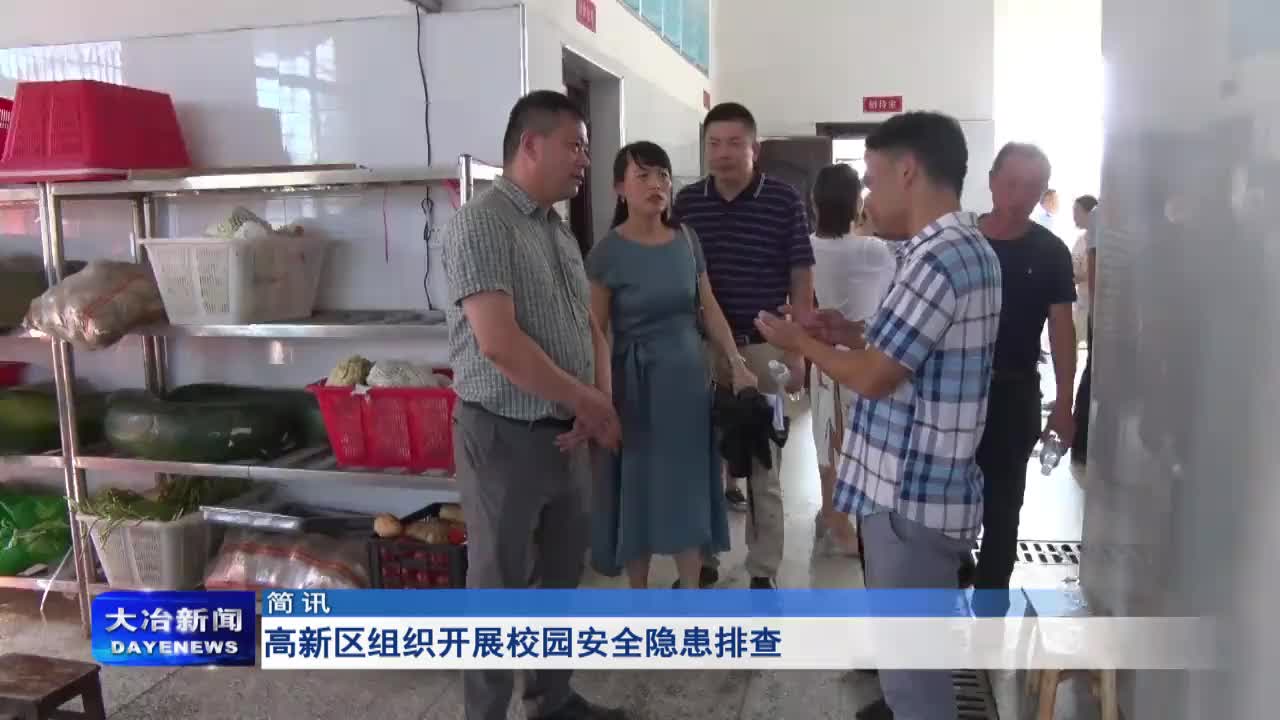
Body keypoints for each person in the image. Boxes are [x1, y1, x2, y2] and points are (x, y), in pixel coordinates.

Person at [755, 111, 1001, 720]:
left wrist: (799, 341)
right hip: (924, 493)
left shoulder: (936, 259)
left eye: (873, 179)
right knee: (910, 669)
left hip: (910, 498)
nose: (867, 196)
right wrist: (846, 331)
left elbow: (872, 376)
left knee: (914, 687)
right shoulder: (963, 248)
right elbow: (911, 348)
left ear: (908, 171)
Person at [441, 90, 625, 720]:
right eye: (575, 146)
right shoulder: (482, 222)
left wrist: (596, 404)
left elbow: (590, 326)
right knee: (497, 589)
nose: (584, 160)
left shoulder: (557, 230)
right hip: (503, 436)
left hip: (566, 435)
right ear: (530, 144)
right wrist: (588, 401)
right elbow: (498, 343)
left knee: (559, 581)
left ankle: (552, 700)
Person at [576, 141, 750, 590]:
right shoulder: (607, 253)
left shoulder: (687, 240)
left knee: (687, 485)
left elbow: (708, 306)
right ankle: (640, 595)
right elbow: (595, 332)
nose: (657, 185)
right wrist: (598, 399)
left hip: (688, 385)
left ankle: (690, 590)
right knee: (640, 486)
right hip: (634, 388)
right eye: (644, 176)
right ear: (620, 188)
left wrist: (735, 361)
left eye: (664, 176)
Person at [673, 102, 814, 590]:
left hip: (764, 350)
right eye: (714, 143)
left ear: (755, 148)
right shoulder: (687, 203)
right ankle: (704, 559)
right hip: (702, 351)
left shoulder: (783, 199)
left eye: (735, 143)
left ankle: (763, 569)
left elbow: (801, 275)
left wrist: (797, 350)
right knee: (701, 460)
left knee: (763, 464)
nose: (723, 153)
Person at [971, 143, 1077, 598]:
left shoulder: (1050, 251)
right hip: (951, 397)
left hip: (1014, 397)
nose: (1018, 198)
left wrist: (1065, 404)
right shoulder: (963, 242)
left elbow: (1062, 330)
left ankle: (989, 614)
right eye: (1011, 184)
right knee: (940, 509)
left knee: (1003, 511)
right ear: (992, 181)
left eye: (1032, 188)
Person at [807, 164, 896, 557]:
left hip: (823, 356)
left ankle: (832, 514)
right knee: (862, 443)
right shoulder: (874, 249)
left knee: (828, 439)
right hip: (866, 355)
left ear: (815, 202)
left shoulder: (805, 247)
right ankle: (843, 522)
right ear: (856, 203)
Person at [1073, 202, 1100, 463]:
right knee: (1093, 372)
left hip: (1113, 315)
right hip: (1101, 314)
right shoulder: (1101, 215)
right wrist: (1097, 311)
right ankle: (1081, 442)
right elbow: (1093, 266)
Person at [1070, 195, 1099, 346]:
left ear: (1090, 213)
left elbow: (1093, 272)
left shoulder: (1100, 241)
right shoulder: (1081, 239)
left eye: (1077, 211)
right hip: (1081, 301)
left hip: (1094, 304)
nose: (1074, 216)